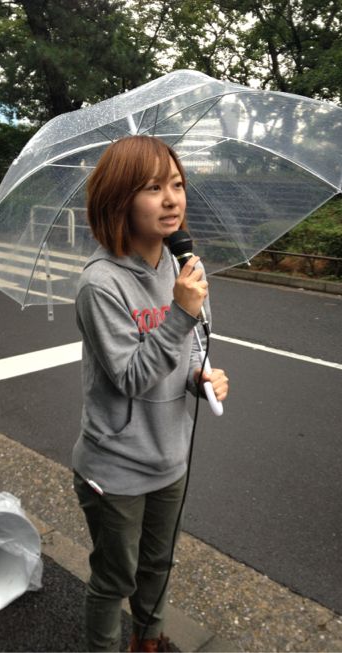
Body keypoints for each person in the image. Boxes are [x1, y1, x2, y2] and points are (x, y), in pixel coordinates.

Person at [71, 135, 229, 652]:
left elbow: (189, 353)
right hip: (115, 466)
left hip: (170, 456)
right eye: (153, 187)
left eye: (177, 185)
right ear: (119, 199)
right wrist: (181, 311)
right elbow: (132, 377)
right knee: (115, 578)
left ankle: (149, 640)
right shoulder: (101, 284)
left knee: (158, 566)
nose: (171, 199)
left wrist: (201, 379)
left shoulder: (183, 268)